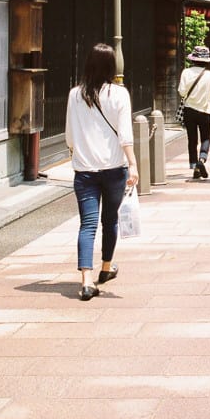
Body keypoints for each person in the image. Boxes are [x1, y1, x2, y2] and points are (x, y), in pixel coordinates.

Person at [65, 43, 138, 300]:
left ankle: (86, 281)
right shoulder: (119, 94)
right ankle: (106, 267)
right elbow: (125, 134)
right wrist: (133, 163)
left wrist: (77, 151)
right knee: (110, 220)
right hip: (114, 168)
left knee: (87, 224)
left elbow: (69, 135)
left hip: (85, 170)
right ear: (111, 67)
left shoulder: (75, 94)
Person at [178, 46, 210, 180]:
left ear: (193, 59)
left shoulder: (186, 72)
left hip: (189, 110)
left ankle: (194, 166)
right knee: (205, 137)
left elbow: (182, 92)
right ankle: (202, 159)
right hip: (205, 110)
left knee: (192, 139)